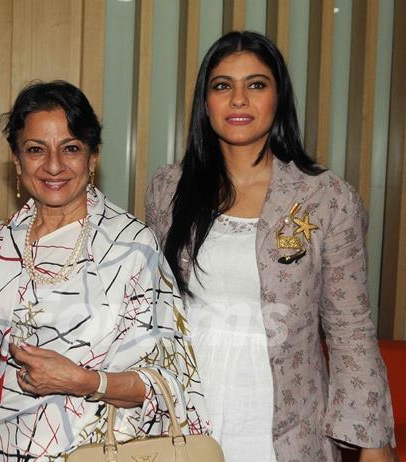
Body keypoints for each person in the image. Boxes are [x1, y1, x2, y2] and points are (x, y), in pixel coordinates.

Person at [146, 31, 395, 462]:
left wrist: (372, 441)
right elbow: (150, 305)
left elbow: (350, 328)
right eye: (223, 85)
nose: (239, 99)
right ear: (205, 102)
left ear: (278, 98)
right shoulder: (169, 188)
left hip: (284, 423)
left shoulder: (326, 198)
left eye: (256, 84)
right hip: (184, 411)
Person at [0, 81, 209, 462]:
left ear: (93, 157)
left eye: (70, 148)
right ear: (17, 161)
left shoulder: (131, 248)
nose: (54, 165)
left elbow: (172, 383)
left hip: (94, 452)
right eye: (36, 149)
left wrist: (83, 381)